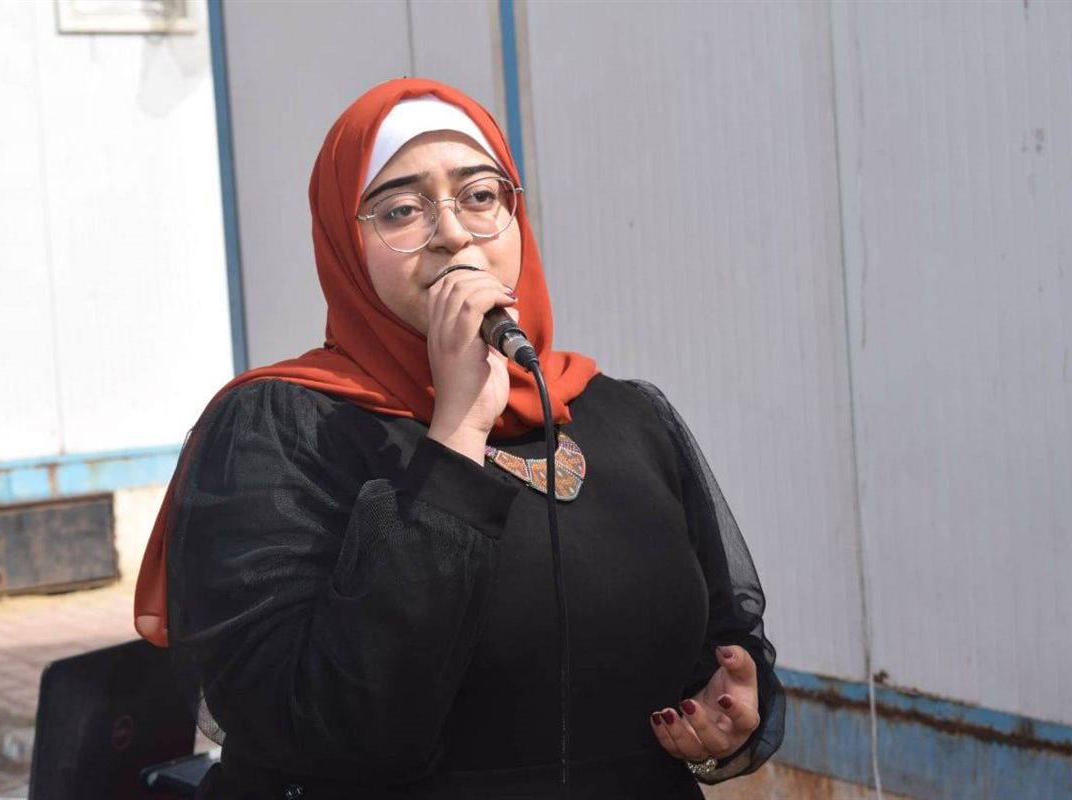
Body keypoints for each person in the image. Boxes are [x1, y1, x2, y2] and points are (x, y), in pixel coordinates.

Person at [135, 78, 783, 799]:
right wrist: (457, 428)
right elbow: (320, 722)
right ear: (343, 244)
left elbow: (719, 636)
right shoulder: (283, 428)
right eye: (401, 209)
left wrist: (725, 711)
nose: (453, 233)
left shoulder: (621, 413)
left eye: (479, 196)